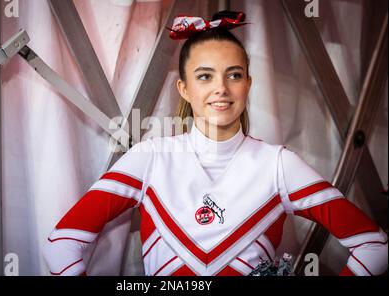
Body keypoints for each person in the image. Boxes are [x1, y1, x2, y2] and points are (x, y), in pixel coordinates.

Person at [42, 11, 388, 276]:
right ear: (184, 89)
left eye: (233, 75)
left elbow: (374, 247)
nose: (221, 88)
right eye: (205, 76)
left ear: (248, 85)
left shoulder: (278, 164)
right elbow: (61, 245)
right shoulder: (151, 158)